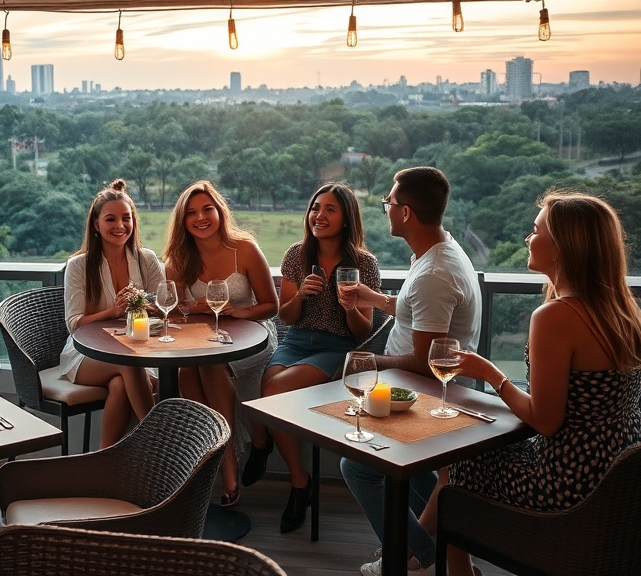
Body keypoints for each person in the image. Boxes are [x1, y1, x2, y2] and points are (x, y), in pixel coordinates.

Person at [435, 191, 641, 575]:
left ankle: (440, 563)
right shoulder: (623, 310)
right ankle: (423, 551)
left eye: (535, 230)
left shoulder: (556, 316)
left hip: (569, 484)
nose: (528, 239)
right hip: (617, 477)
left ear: (563, 247)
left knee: (458, 458)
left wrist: (490, 374)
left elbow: (546, 421)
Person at [341, 166, 481, 576]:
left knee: (359, 468)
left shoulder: (435, 273)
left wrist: (370, 363)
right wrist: (376, 298)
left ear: (404, 212)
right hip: (416, 391)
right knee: (421, 480)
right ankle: (436, 550)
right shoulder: (438, 250)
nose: (384, 208)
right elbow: (417, 314)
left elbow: (427, 361)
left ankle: (413, 550)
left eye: (388, 202)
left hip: (424, 394)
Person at [241, 183, 381, 534]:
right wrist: (300, 294)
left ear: (346, 218)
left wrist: (349, 307)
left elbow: (362, 332)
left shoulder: (364, 263)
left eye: (330, 209)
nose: (319, 215)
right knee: (267, 385)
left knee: (270, 393)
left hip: (336, 347)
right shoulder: (296, 255)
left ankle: (289, 472)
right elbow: (286, 318)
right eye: (316, 207)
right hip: (298, 339)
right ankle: (297, 475)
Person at [164, 180, 279, 507]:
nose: (201, 218)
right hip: (205, 343)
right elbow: (173, 310)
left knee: (208, 367)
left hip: (252, 337)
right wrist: (191, 308)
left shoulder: (244, 249)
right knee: (187, 372)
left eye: (207, 209)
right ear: (182, 221)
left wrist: (239, 311)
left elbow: (272, 306)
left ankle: (227, 470)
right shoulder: (178, 260)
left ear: (219, 211)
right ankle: (216, 458)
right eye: (191, 213)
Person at [58, 179, 159, 447]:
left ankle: (106, 460)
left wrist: (142, 302)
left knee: (120, 385)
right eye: (111, 219)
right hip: (86, 355)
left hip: (136, 346)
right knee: (129, 364)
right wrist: (112, 311)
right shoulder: (79, 265)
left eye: (126, 218)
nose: (120, 226)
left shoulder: (146, 259)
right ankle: (157, 443)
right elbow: (74, 324)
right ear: (96, 224)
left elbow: (163, 305)